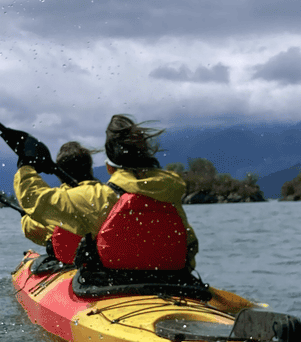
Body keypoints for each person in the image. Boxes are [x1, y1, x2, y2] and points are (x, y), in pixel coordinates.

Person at [14, 115, 198, 274]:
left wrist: (25, 165)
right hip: (177, 282)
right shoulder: (170, 195)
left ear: (109, 167)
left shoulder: (98, 197)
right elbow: (190, 244)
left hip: (113, 282)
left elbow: (34, 198)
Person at [20, 141, 96, 261]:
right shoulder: (107, 194)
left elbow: (32, 230)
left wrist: (25, 218)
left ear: (60, 174)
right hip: (100, 262)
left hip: (70, 263)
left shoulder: (58, 202)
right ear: (90, 169)